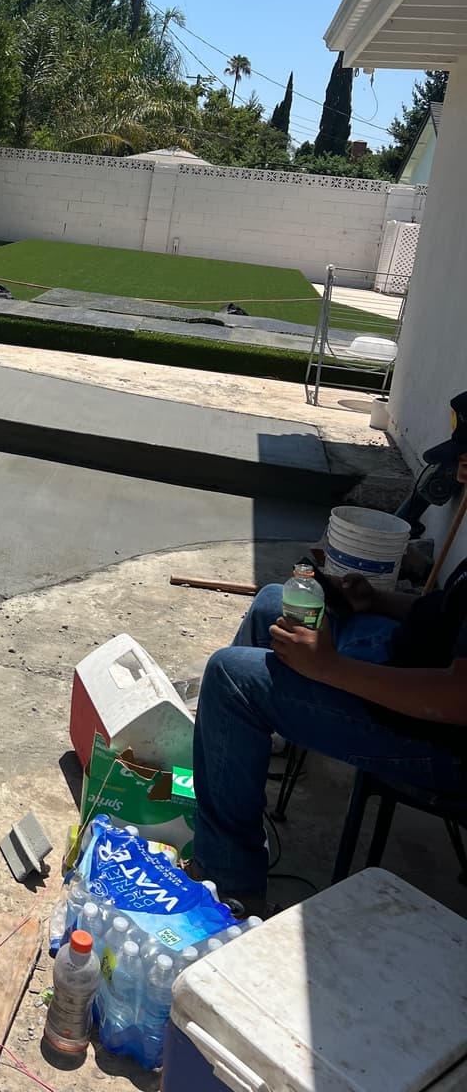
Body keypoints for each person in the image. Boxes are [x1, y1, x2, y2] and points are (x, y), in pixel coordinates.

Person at [191, 390, 467, 914]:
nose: (458, 469)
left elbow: (457, 698)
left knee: (230, 678)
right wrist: (377, 599)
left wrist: (332, 670)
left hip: (435, 741)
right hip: (402, 660)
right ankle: (229, 778)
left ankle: (229, 879)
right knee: (274, 602)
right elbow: (447, 622)